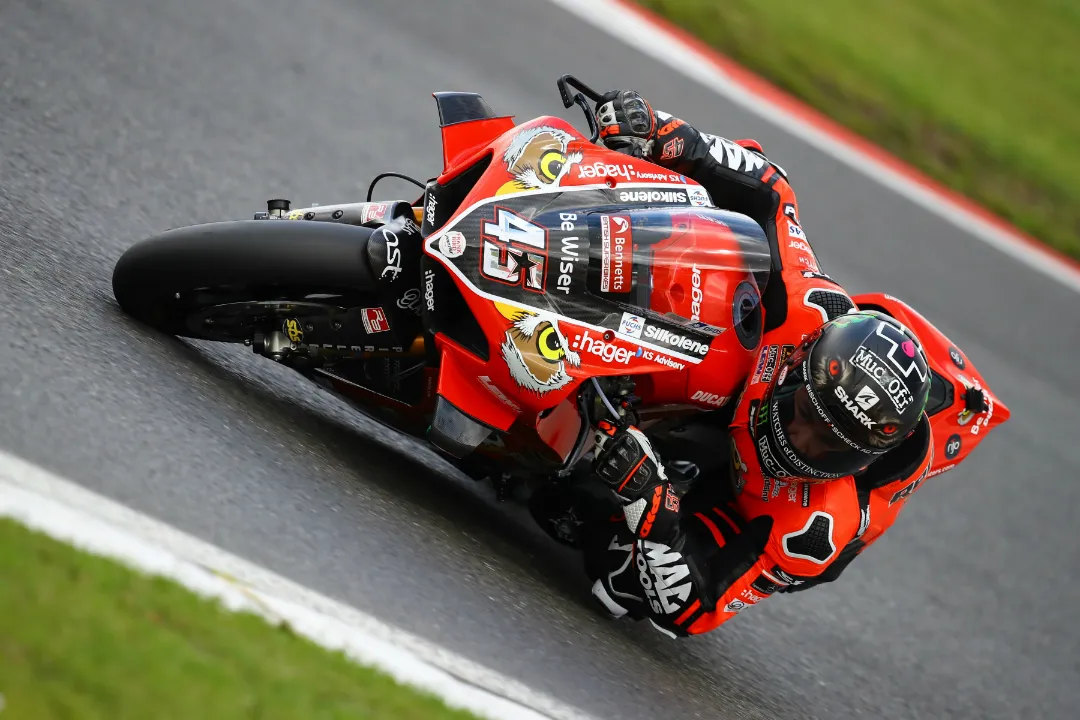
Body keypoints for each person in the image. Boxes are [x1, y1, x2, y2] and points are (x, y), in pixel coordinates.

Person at [574, 90, 937, 638]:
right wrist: (665, 133)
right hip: (734, 381)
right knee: (702, 229)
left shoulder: (813, 532)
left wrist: (656, 507)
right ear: (801, 363)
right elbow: (773, 190)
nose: (800, 437)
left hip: (726, 493)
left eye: (826, 445)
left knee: (616, 578)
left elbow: (695, 612)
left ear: (855, 465)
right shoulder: (812, 309)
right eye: (804, 412)